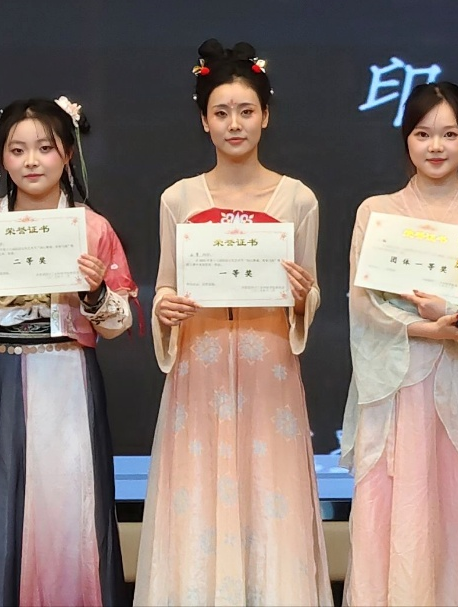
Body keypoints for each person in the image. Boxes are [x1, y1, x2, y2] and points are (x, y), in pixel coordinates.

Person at [134, 40, 332, 606]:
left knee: (271, 497)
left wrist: (303, 297)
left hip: (268, 370)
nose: (234, 124)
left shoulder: (297, 200)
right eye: (221, 112)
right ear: (204, 121)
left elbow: (311, 290)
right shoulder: (179, 199)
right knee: (198, 498)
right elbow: (166, 284)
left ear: (266, 115)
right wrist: (164, 308)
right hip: (200, 370)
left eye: (246, 111)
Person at [0, 97, 136, 605]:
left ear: (67, 153)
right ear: (1, 157)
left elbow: (119, 324)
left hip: (64, 373)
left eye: (45, 148)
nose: (31, 161)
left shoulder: (92, 228)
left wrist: (95, 293)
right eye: (17, 149)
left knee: (67, 506)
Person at [342, 82, 458, 606]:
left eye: (449, 134)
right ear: (407, 140)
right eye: (423, 134)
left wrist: (457, 318)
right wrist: (432, 329)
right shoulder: (376, 212)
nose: (435, 146)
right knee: (397, 515)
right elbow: (364, 305)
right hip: (397, 389)